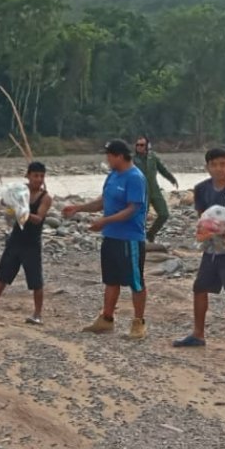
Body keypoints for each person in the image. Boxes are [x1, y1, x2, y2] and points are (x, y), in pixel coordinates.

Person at [173, 148, 225, 355]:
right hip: (211, 246)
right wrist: (206, 231)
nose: (219, 169)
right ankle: (198, 334)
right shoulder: (201, 188)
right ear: (207, 167)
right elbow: (202, 216)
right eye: (214, 165)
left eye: (223, 164)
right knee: (200, 287)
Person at [63, 139, 149, 339]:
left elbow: (132, 209)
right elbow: (103, 200)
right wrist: (79, 208)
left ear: (119, 156)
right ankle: (107, 319)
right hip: (111, 236)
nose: (107, 159)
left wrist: (105, 221)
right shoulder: (113, 175)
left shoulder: (135, 178)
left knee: (136, 281)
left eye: (109, 155)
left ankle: (139, 323)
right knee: (111, 280)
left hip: (130, 238)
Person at [0, 161, 52, 324]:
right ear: (28, 175)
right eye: (35, 175)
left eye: (41, 176)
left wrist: (22, 210)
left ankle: (37, 314)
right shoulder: (21, 190)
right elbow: (4, 203)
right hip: (16, 238)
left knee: (35, 279)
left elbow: (38, 219)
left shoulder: (45, 198)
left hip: (31, 243)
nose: (38, 179)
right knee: (3, 272)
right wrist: (10, 202)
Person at [133, 135, 179, 243]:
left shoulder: (152, 157)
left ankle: (151, 234)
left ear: (147, 146)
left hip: (155, 190)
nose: (139, 147)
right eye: (137, 145)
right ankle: (139, 238)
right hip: (141, 192)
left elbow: (162, 169)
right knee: (141, 216)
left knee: (164, 214)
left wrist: (172, 179)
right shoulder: (132, 160)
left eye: (142, 145)